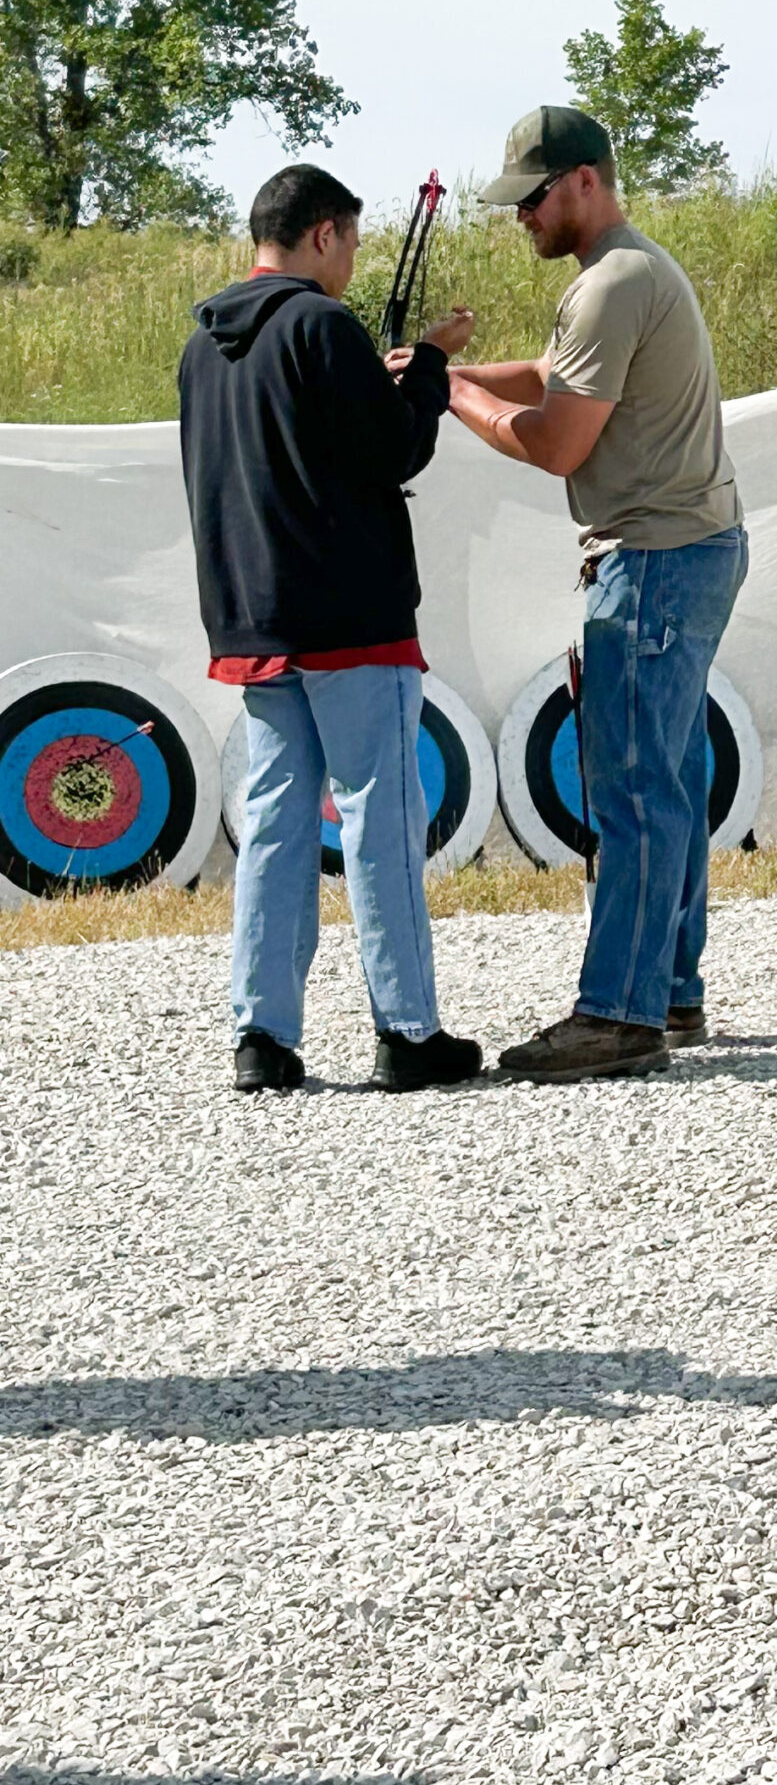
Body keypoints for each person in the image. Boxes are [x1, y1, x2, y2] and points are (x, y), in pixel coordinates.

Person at [446, 108, 749, 1078]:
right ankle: (668, 988)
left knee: (632, 785)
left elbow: (556, 439)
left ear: (582, 181)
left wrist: (453, 399)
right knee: (672, 775)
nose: (520, 217)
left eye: (530, 198)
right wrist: (443, 370)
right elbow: (554, 373)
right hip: (692, 547)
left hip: (653, 559)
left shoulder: (610, 285)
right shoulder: (627, 273)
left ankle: (619, 1014)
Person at [177, 164, 485, 1094]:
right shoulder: (323, 325)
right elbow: (393, 451)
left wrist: (382, 382)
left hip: (255, 616)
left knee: (273, 824)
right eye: (349, 242)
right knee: (378, 820)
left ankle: (262, 1038)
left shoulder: (203, 346)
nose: (352, 262)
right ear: (320, 235)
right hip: (350, 617)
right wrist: (427, 368)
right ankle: (407, 1031)